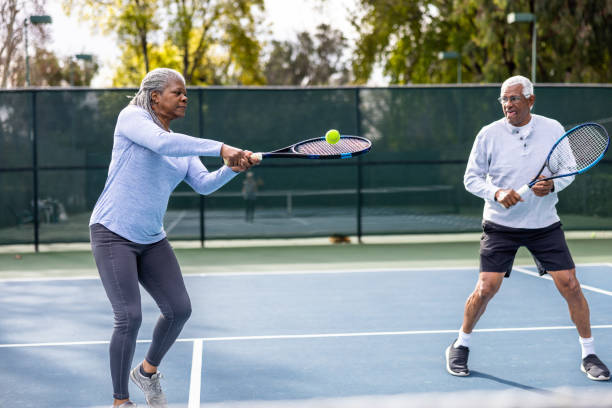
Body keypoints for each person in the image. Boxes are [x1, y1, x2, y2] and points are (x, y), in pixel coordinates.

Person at [89, 68, 258, 408]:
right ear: (155, 96)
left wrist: (230, 168)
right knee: (130, 317)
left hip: (152, 239)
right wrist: (223, 147)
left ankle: (147, 372)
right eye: (177, 92)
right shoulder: (132, 118)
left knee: (179, 309)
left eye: (186, 94)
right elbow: (162, 143)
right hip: (112, 233)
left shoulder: (181, 147)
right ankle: (121, 401)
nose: (185, 98)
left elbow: (204, 185)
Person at [446, 75, 609, 381]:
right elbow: (471, 178)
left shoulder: (552, 129)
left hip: (543, 224)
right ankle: (460, 344)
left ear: (531, 100)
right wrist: (496, 193)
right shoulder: (488, 134)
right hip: (500, 224)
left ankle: (589, 353)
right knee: (486, 288)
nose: (508, 105)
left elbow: (568, 171)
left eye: (514, 99)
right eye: (504, 99)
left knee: (570, 284)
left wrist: (553, 184)